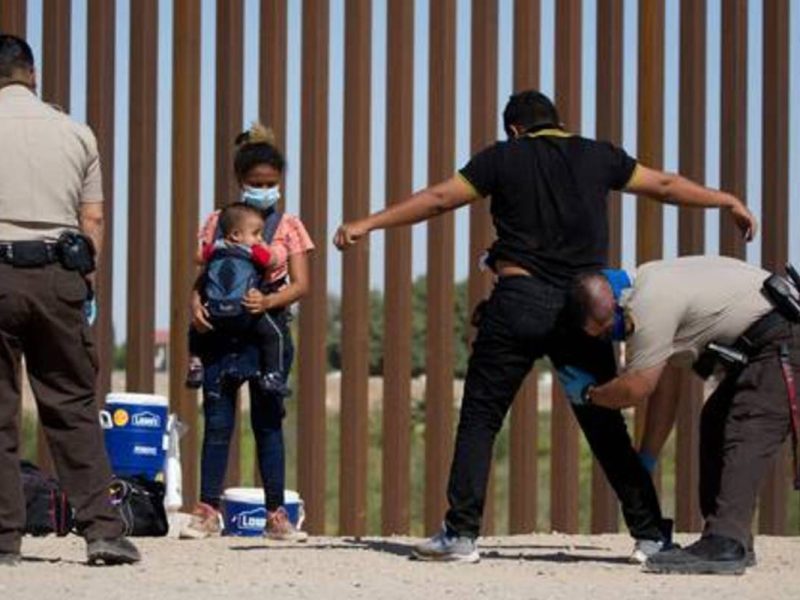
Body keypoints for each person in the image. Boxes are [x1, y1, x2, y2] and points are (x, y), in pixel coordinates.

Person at [333, 90, 758, 563]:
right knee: (603, 422)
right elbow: (664, 184)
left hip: (518, 302)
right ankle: (650, 536)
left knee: (481, 415)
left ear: (514, 129)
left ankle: (461, 534)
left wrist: (368, 223)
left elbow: (436, 200)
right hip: (583, 308)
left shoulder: (502, 158)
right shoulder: (599, 155)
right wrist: (724, 200)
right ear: (558, 122)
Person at [559, 255, 797, 575]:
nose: (613, 335)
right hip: (769, 342)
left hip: (783, 342)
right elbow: (664, 392)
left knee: (744, 428)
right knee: (716, 421)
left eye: (610, 329)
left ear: (616, 302)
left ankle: (725, 543)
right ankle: (729, 540)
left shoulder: (647, 303)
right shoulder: (653, 282)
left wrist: (591, 395)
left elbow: (637, 387)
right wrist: (647, 460)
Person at [0, 34, 139, 565]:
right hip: (57, 271)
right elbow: (94, 219)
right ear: (31, 75)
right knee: (72, 404)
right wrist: (85, 281)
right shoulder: (75, 132)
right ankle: (102, 530)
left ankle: (4, 540)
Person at [180, 124, 313, 541]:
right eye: (256, 184)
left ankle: (276, 516)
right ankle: (206, 511)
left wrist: (267, 303)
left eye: (271, 183)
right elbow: (204, 276)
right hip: (220, 337)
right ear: (241, 182)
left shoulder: (289, 225)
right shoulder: (218, 222)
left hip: (264, 336)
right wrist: (193, 304)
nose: (265, 190)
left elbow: (301, 284)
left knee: (268, 425)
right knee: (217, 425)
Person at [186, 203, 289, 396]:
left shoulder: (214, 248)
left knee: (195, 329)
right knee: (274, 335)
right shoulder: (253, 251)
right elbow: (272, 262)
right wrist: (265, 247)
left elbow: (198, 257)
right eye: (256, 233)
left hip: (215, 310)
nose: (259, 238)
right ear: (235, 235)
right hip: (245, 308)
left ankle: (195, 363)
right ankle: (272, 375)